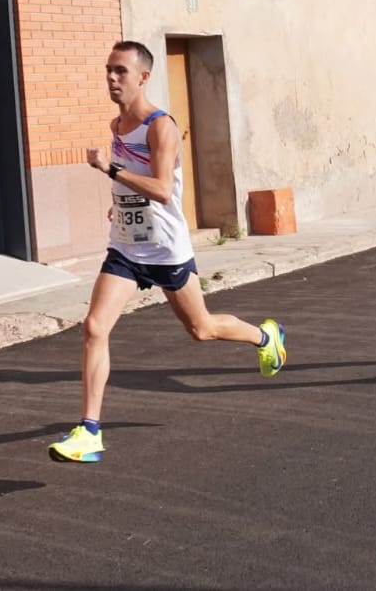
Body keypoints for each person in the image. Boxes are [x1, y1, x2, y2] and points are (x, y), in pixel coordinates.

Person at [49, 41, 287, 464]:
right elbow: (135, 181)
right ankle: (89, 431)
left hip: (166, 250)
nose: (111, 78)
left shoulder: (161, 127)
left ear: (143, 77)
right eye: (108, 70)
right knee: (94, 327)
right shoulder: (117, 125)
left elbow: (161, 189)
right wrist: (121, 199)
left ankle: (266, 337)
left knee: (201, 329)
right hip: (126, 247)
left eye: (121, 71)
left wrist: (110, 169)